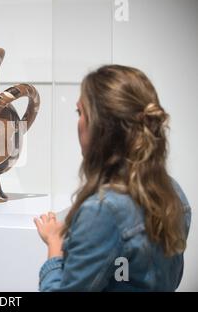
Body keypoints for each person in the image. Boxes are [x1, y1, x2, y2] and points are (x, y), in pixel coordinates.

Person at [34, 65, 191, 291]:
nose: (78, 122)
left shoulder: (101, 212)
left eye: (81, 113)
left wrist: (54, 247)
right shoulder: (173, 193)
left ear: (102, 127)